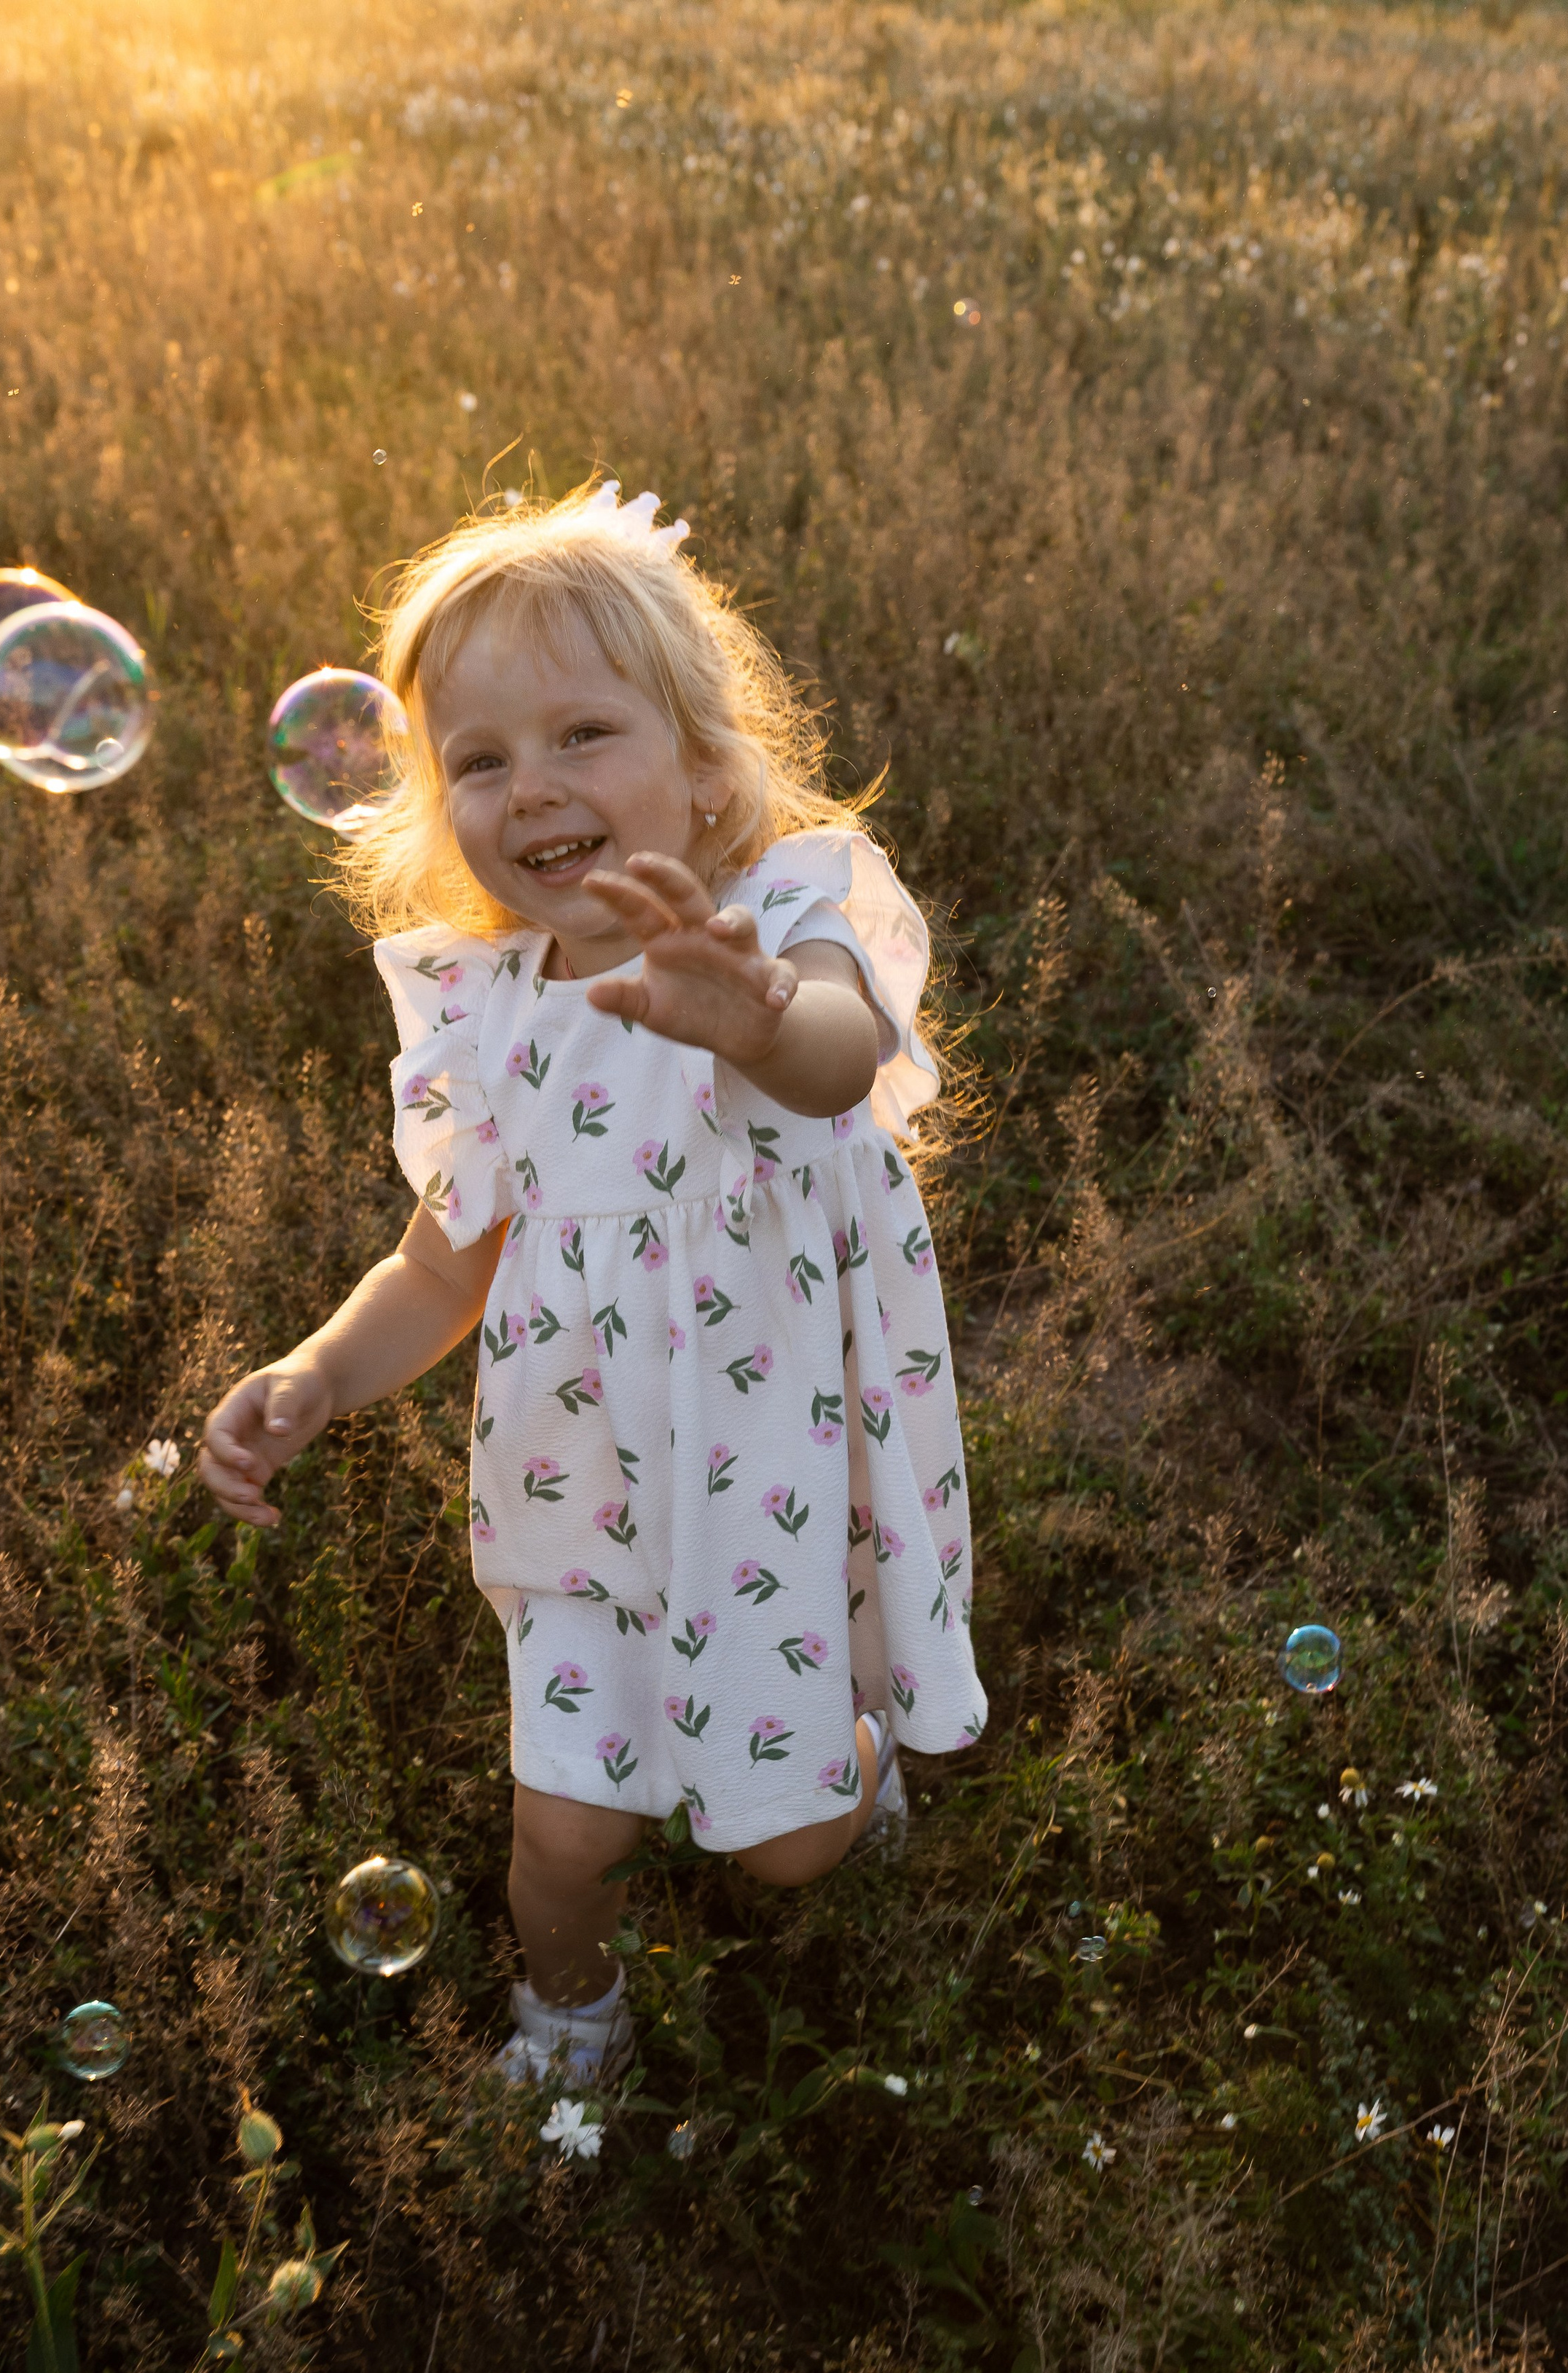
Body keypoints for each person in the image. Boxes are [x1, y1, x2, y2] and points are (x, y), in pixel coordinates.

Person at [200, 480, 986, 2089]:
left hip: (762, 1467)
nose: (530, 787)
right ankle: (570, 2035)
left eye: (582, 735)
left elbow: (836, 1066)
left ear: (706, 773)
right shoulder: (486, 1013)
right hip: (582, 1491)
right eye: (479, 760)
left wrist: (753, 1016)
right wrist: (321, 1373)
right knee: (562, 1835)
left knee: (787, 1849)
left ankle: (846, 1757)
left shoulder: (782, 918)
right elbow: (444, 1258)